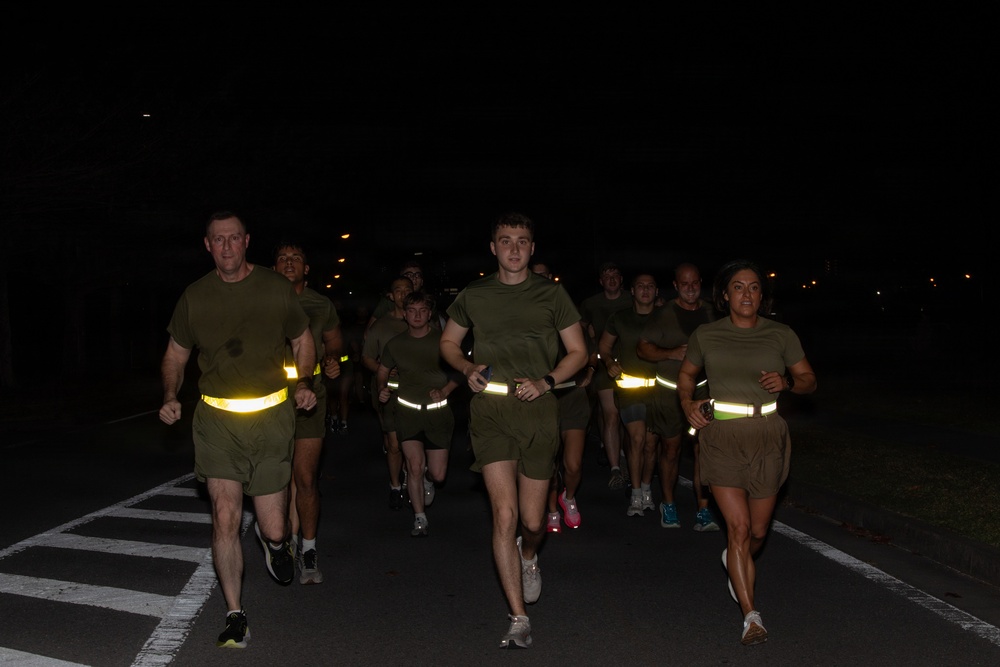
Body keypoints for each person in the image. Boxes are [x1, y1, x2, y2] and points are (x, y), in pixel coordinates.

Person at [158, 211, 316, 649]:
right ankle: (234, 614)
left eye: (233, 239)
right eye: (217, 240)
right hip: (216, 422)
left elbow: (303, 340)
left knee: (275, 528)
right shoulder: (194, 297)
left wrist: (304, 381)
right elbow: (175, 355)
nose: (226, 247)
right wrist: (171, 394)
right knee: (224, 517)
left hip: (270, 419)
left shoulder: (274, 288)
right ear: (207, 246)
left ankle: (278, 544)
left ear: (246, 241)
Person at [440, 213, 587, 649]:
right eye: (506, 241)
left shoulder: (552, 293)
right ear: (493, 248)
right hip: (490, 410)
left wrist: (548, 380)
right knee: (503, 515)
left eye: (522, 241)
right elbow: (448, 342)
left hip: (538, 408)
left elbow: (578, 352)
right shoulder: (475, 293)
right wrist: (467, 366)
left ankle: (529, 555)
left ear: (532, 248)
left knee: (532, 520)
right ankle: (518, 617)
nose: (514, 249)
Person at [678, 259, 817, 646]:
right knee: (737, 529)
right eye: (738, 287)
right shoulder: (707, 334)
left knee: (756, 532)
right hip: (721, 435)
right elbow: (687, 375)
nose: (747, 294)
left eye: (754, 287)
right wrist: (688, 402)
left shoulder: (781, 334)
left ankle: (734, 560)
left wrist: (788, 381)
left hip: (768, 434)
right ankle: (751, 616)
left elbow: (809, 380)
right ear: (724, 295)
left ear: (762, 295)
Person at [273, 241, 343, 584]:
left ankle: (309, 550)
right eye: (283, 259)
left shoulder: (320, 303)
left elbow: (335, 343)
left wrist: (333, 361)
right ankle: (279, 539)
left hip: (309, 397)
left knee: (304, 478)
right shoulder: (263, 299)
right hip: (267, 398)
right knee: (275, 478)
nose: (289, 263)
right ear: (274, 267)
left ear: (306, 268)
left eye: (296, 258)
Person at [637, 262, 720, 531]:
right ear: (675, 286)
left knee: (702, 449)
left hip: (703, 390)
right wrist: (671, 353)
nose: (690, 288)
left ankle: (704, 509)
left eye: (694, 283)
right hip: (669, 392)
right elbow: (643, 349)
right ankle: (669, 504)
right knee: (671, 449)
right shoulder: (663, 314)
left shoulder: (712, 312)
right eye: (684, 284)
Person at [376, 291, 459, 537]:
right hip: (407, 411)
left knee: (438, 473)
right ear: (404, 314)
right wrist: (382, 388)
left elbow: (461, 372)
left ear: (429, 313)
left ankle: (428, 479)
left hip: (438, 414)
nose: (417, 315)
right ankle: (419, 517)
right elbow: (383, 370)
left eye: (422, 310)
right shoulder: (396, 344)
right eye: (411, 310)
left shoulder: (443, 342)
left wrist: (445, 390)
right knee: (413, 466)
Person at [532, 261, 596, 533]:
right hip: (540, 398)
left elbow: (590, 350)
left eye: (546, 275)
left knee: (573, 463)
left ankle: (568, 497)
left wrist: (591, 369)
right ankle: (549, 510)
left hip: (571, 394)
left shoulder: (566, 310)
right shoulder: (525, 315)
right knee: (548, 462)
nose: (542, 280)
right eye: (536, 277)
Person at [599, 273, 661, 517]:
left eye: (650, 286)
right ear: (632, 291)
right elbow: (603, 347)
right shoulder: (620, 318)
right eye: (640, 286)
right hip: (630, 389)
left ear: (656, 291)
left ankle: (647, 489)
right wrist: (608, 361)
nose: (645, 290)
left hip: (659, 390)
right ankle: (635, 493)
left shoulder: (665, 317)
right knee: (635, 439)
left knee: (651, 443)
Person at [578, 262, 632, 488]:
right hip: (603, 365)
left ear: (621, 279)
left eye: (615, 276)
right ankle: (616, 469)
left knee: (629, 418)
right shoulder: (591, 303)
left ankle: (633, 461)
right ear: (601, 281)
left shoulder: (632, 298)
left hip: (633, 366)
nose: (611, 280)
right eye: (606, 276)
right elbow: (580, 325)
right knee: (610, 414)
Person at [362, 276, 413, 509]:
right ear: (391, 296)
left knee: (413, 441)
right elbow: (367, 358)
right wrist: (384, 370)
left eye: (407, 290)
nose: (403, 294)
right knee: (393, 442)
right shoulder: (381, 326)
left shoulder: (424, 320)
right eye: (398, 291)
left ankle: (413, 481)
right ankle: (395, 485)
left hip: (416, 391)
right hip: (389, 391)